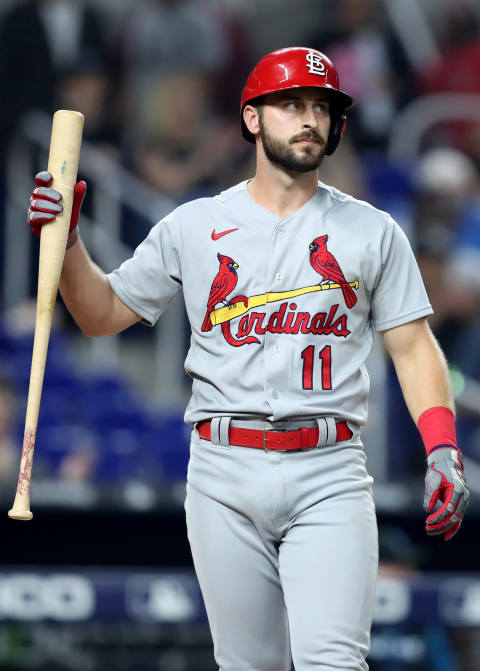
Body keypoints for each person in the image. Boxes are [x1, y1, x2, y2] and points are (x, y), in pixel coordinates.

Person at [27, 47, 469, 671]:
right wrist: (68, 242)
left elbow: (413, 345)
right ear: (253, 119)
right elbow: (101, 316)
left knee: (335, 662)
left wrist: (443, 447)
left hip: (330, 468)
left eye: (322, 107)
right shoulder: (195, 225)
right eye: (292, 104)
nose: (310, 118)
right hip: (223, 469)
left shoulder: (372, 231)